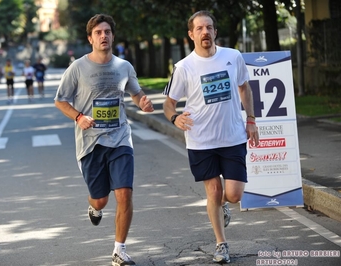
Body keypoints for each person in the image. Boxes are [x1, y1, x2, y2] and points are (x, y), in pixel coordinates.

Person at [54, 14, 154, 266]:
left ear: (112, 35)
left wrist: (142, 101)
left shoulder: (124, 67)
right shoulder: (77, 68)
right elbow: (60, 100)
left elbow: (136, 93)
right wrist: (78, 117)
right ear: (90, 38)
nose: (103, 36)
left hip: (120, 138)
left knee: (124, 194)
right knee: (101, 198)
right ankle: (95, 206)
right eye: (98, 32)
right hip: (90, 143)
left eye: (107, 31)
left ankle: (119, 250)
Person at [162, 10, 259, 264]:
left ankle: (223, 204)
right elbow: (169, 104)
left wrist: (251, 119)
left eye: (209, 27)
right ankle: (221, 244)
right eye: (200, 28)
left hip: (232, 137)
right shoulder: (183, 67)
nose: (205, 32)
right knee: (214, 192)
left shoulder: (233, 56)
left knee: (234, 194)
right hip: (201, 140)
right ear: (191, 34)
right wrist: (175, 118)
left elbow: (244, 87)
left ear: (215, 32)